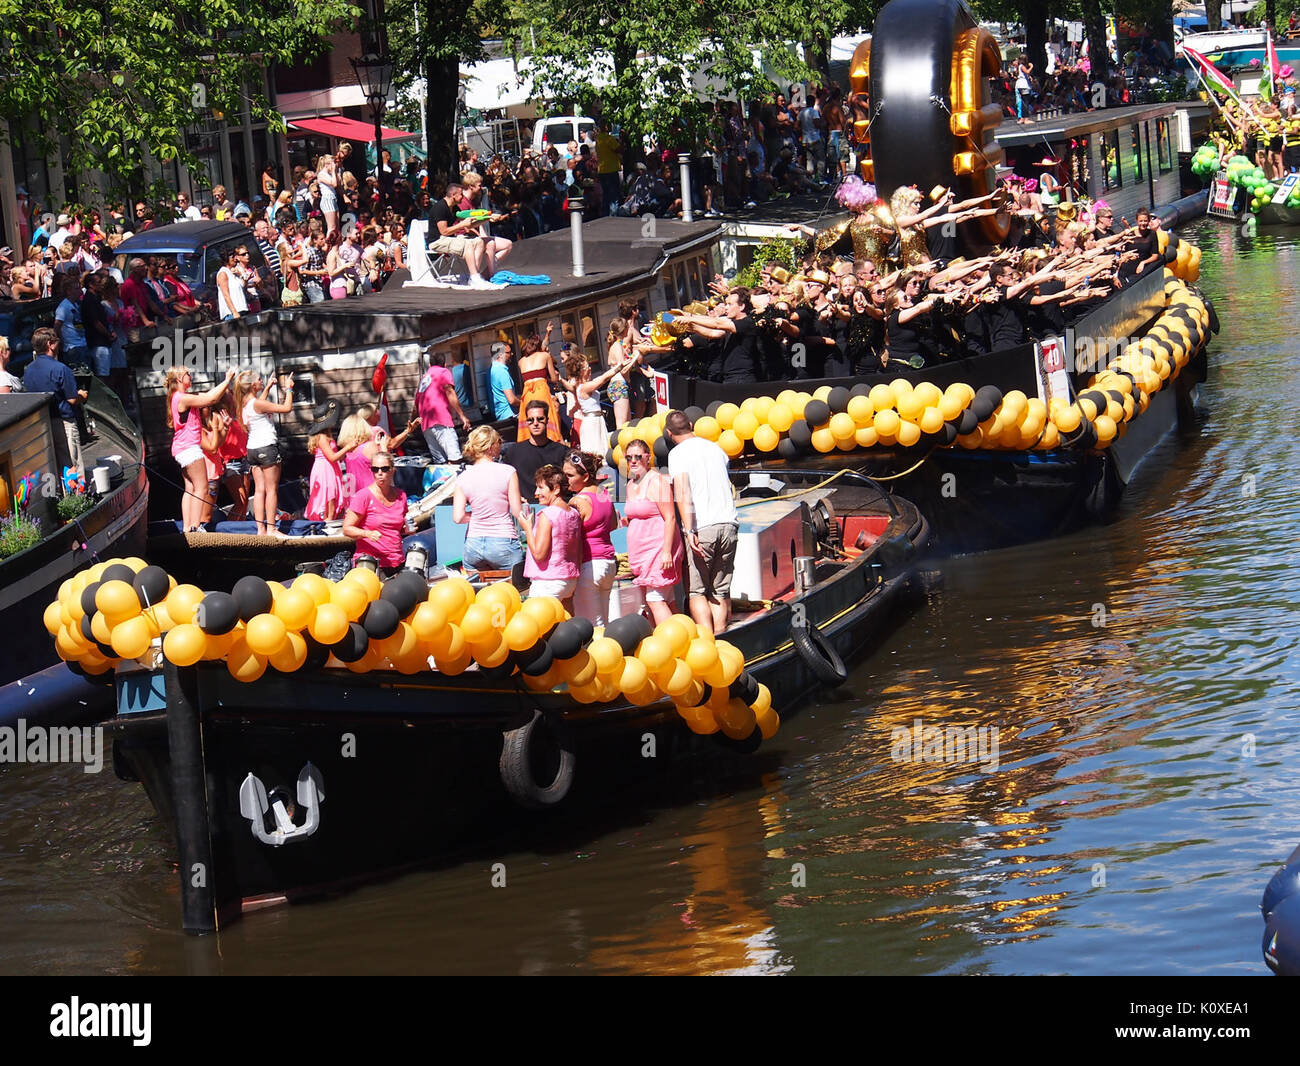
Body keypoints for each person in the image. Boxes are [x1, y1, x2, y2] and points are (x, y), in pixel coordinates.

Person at [664, 409, 737, 633]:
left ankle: (708, 642)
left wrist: (688, 531)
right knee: (720, 590)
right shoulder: (716, 449)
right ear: (692, 424)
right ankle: (722, 637)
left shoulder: (677, 454)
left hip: (702, 526)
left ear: (669, 433)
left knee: (697, 591)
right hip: (728, 523)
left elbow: (683, 493)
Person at [164, 364, 236, 532]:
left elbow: (211, 395)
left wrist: (224, 384)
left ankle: (188, 527)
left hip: (182, 448)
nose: (191, 375)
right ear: (179, 379)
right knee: (202, 487)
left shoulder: (181, 397)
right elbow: (210, 400)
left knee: (190, 488)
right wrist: (227, 380)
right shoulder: (182, 398)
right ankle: (195, 527)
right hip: (189, 448)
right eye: (187, 373)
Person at [623, 437, 683, 624]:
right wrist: (629, 520)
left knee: (655, 600)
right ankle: (675, 637)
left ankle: (670, 641)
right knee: (663, 601)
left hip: (658, 548)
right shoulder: (630, 485)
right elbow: (638, 513)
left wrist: (666, 552)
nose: (633, 461)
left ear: (647, 458)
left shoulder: (657, 481)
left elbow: (670, 518)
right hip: (640, 551)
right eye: (628, 457)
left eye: (637, 456)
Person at [452, 425, 525, 574]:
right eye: (499, 442)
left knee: (475, 592)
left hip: (473, 543)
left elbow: (458, 517)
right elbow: (517, 511)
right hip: (503, 540)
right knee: (515, 590)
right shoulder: (508, 471)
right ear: (491, 446)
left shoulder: (463, 477)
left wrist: (478, 515)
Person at [23, 328, 89, 483]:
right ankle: (78, 499)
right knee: (72, 463)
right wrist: (82, 396)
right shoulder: (61, 368)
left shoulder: (29, 370)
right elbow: (72, 399)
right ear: (50, 344)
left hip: (41, 423)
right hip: (63, 421)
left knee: (53, 464)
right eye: (57, 341)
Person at [237, 368, 295, 536]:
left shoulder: (246, 404)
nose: (261, 381)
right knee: (271, 490)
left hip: (253, 450)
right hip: (267, 447)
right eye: (259, 380)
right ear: (252, 385)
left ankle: (261, 530)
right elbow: (287, 408)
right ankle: (272, 528)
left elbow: (259, 406)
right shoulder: (257, 403)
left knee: (259, 490)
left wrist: (269, 387)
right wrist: (289, 389)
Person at [563, 450, 618, 624]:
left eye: (570, 475)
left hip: (589, 566)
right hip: (608, 564)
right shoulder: (604, 495)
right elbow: (614, 525)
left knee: (593, 625)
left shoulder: (577, 502)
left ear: (585, 476)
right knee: (604, 621)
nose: (566, 480)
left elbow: (570, 537)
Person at [519, 465, 583, 610]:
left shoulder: (547, 515)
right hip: (569, 580)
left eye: (541, 488)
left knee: (539, 627)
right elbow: (579, 550)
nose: (536, 493)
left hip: (548, 582)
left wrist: (528, 528)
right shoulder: (573, 513)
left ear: (556, 489)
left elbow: (539, 554)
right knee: (567, 626)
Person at [342, 453, 413, 577]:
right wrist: (367, 533)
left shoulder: (401, 496)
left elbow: (394, 528)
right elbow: (346, 529)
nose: (379, 473)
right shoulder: (363, 496)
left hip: (397, 561)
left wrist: (405, 530)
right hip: (370, 564)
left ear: (392, 470)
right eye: (375, 469)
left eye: (384, 469)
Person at [563, 349, 629, 454]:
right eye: (586, 367)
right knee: (595, 450)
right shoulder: (584, 387)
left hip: (597, 419)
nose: (590, 369)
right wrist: (619, 367)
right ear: (581, 371)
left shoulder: (584, 385)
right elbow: (603, 378)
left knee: (602, 447)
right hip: (592, 421)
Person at [505, 399, 569, 504]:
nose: (535, 423)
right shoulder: (513, 452)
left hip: (554, 509)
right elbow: (505, 483)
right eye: (531, 420)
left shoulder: (561, 451)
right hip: (525, 508)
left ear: (547, 420)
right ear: (526, 422)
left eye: (540, 419)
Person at [305, 400, 357, 521]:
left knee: (333, 492)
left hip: (331, 466)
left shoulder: (328, 435)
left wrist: (348, 450)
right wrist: (347, 447)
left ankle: (332, 517)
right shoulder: (322, 438)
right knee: (329, 493)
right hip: (324, 468)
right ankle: (328, 518)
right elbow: (332, 457)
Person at [417, 348, 472, 463]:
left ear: (431, 364)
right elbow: (449, 391)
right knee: (454, 459)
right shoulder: (443, 372)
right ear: (444, 364)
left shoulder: (424, 378)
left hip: (426, 425)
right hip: (441, 421)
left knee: (440, 462)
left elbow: (416, 402)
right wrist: (462, 416)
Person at [514, 327, 564, 442]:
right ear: (538, 345)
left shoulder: (521, 362)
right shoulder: (545, 356)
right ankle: (554, 438)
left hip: (527, 394)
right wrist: (546, 377)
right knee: (548, 416)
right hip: (541, 391)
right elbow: (554, 378)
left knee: (530, 420)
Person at [216, 246, 250, 320]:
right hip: (232, 314)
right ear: (226, 259)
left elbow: (243, 287)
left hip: (242, 309)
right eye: (233, 257)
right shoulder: (223, 273)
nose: (236, 259)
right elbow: (226, 295)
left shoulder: (234, 272)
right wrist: (234, 312)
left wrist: (241, 275)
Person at [489, 340, 519, 420]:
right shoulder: (502, 372)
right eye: (508, 352)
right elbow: (511, 400)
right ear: (500, 355)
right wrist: (523, 403)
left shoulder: (492, 369)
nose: (511, 354)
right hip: (510, 415)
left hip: (500, 415)